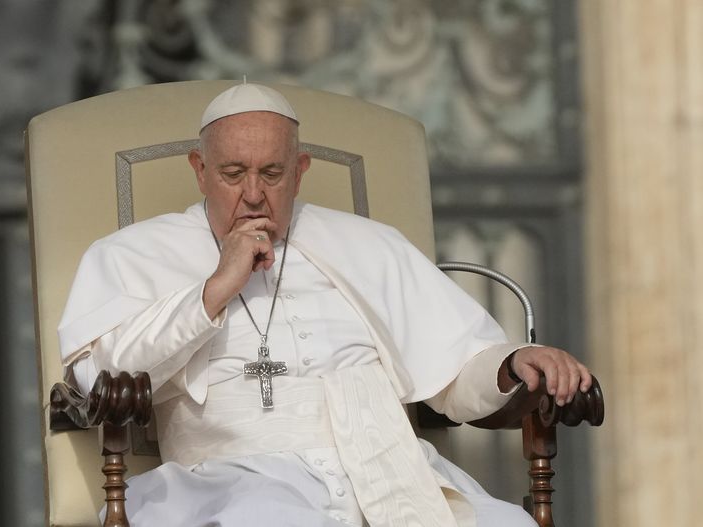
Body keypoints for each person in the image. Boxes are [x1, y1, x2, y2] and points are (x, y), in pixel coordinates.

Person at [58, 83, 591, 527]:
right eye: (232, 173)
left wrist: (510, 364)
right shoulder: (133, 254)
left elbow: (454, 368)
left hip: (389, 471)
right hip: (233, 481)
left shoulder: (371, 245)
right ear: (199, 169)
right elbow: (99, 374)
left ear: (301, 169)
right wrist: (215, 287)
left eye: (271, 173)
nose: (252, 194)